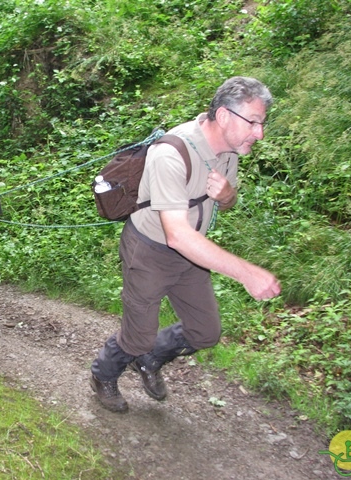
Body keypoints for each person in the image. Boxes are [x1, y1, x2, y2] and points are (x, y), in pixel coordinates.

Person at [90, 76, 282, 413]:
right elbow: (176, 233)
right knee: (138, 336)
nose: (259, 133)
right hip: (150, 251)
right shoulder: (171, 153)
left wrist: (227, 196)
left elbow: (225, 200)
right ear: (224, 116)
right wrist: (247, 273)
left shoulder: (228, 150)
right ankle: (103, 374)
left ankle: (149, 360)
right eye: (254, 123)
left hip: (192, 255)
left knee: (205, 332)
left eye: (261, 124)